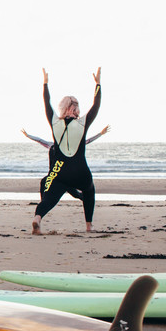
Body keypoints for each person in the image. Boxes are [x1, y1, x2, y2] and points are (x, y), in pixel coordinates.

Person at [32, 67, 102, 234]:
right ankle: (89, 225)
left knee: (50, 198)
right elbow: (96, 105)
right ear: (76, 109)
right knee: (89, 189)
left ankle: (37, 218)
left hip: (61, 173)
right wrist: (98, 84)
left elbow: (46, 102)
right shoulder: (82, 122)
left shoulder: (55, 122)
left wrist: (45, 83)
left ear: (63, 108)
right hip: (80, 171)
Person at [21, 122, 109, 203]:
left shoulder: (69, 147)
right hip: (53, 174)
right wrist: (27, 135)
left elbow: (87, 141)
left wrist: (100, 134)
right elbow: (39, 140)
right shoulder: (51, 145)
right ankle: (43, 202)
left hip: (64, 175)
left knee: (74, 193)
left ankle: (85, 198)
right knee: (44, 182)